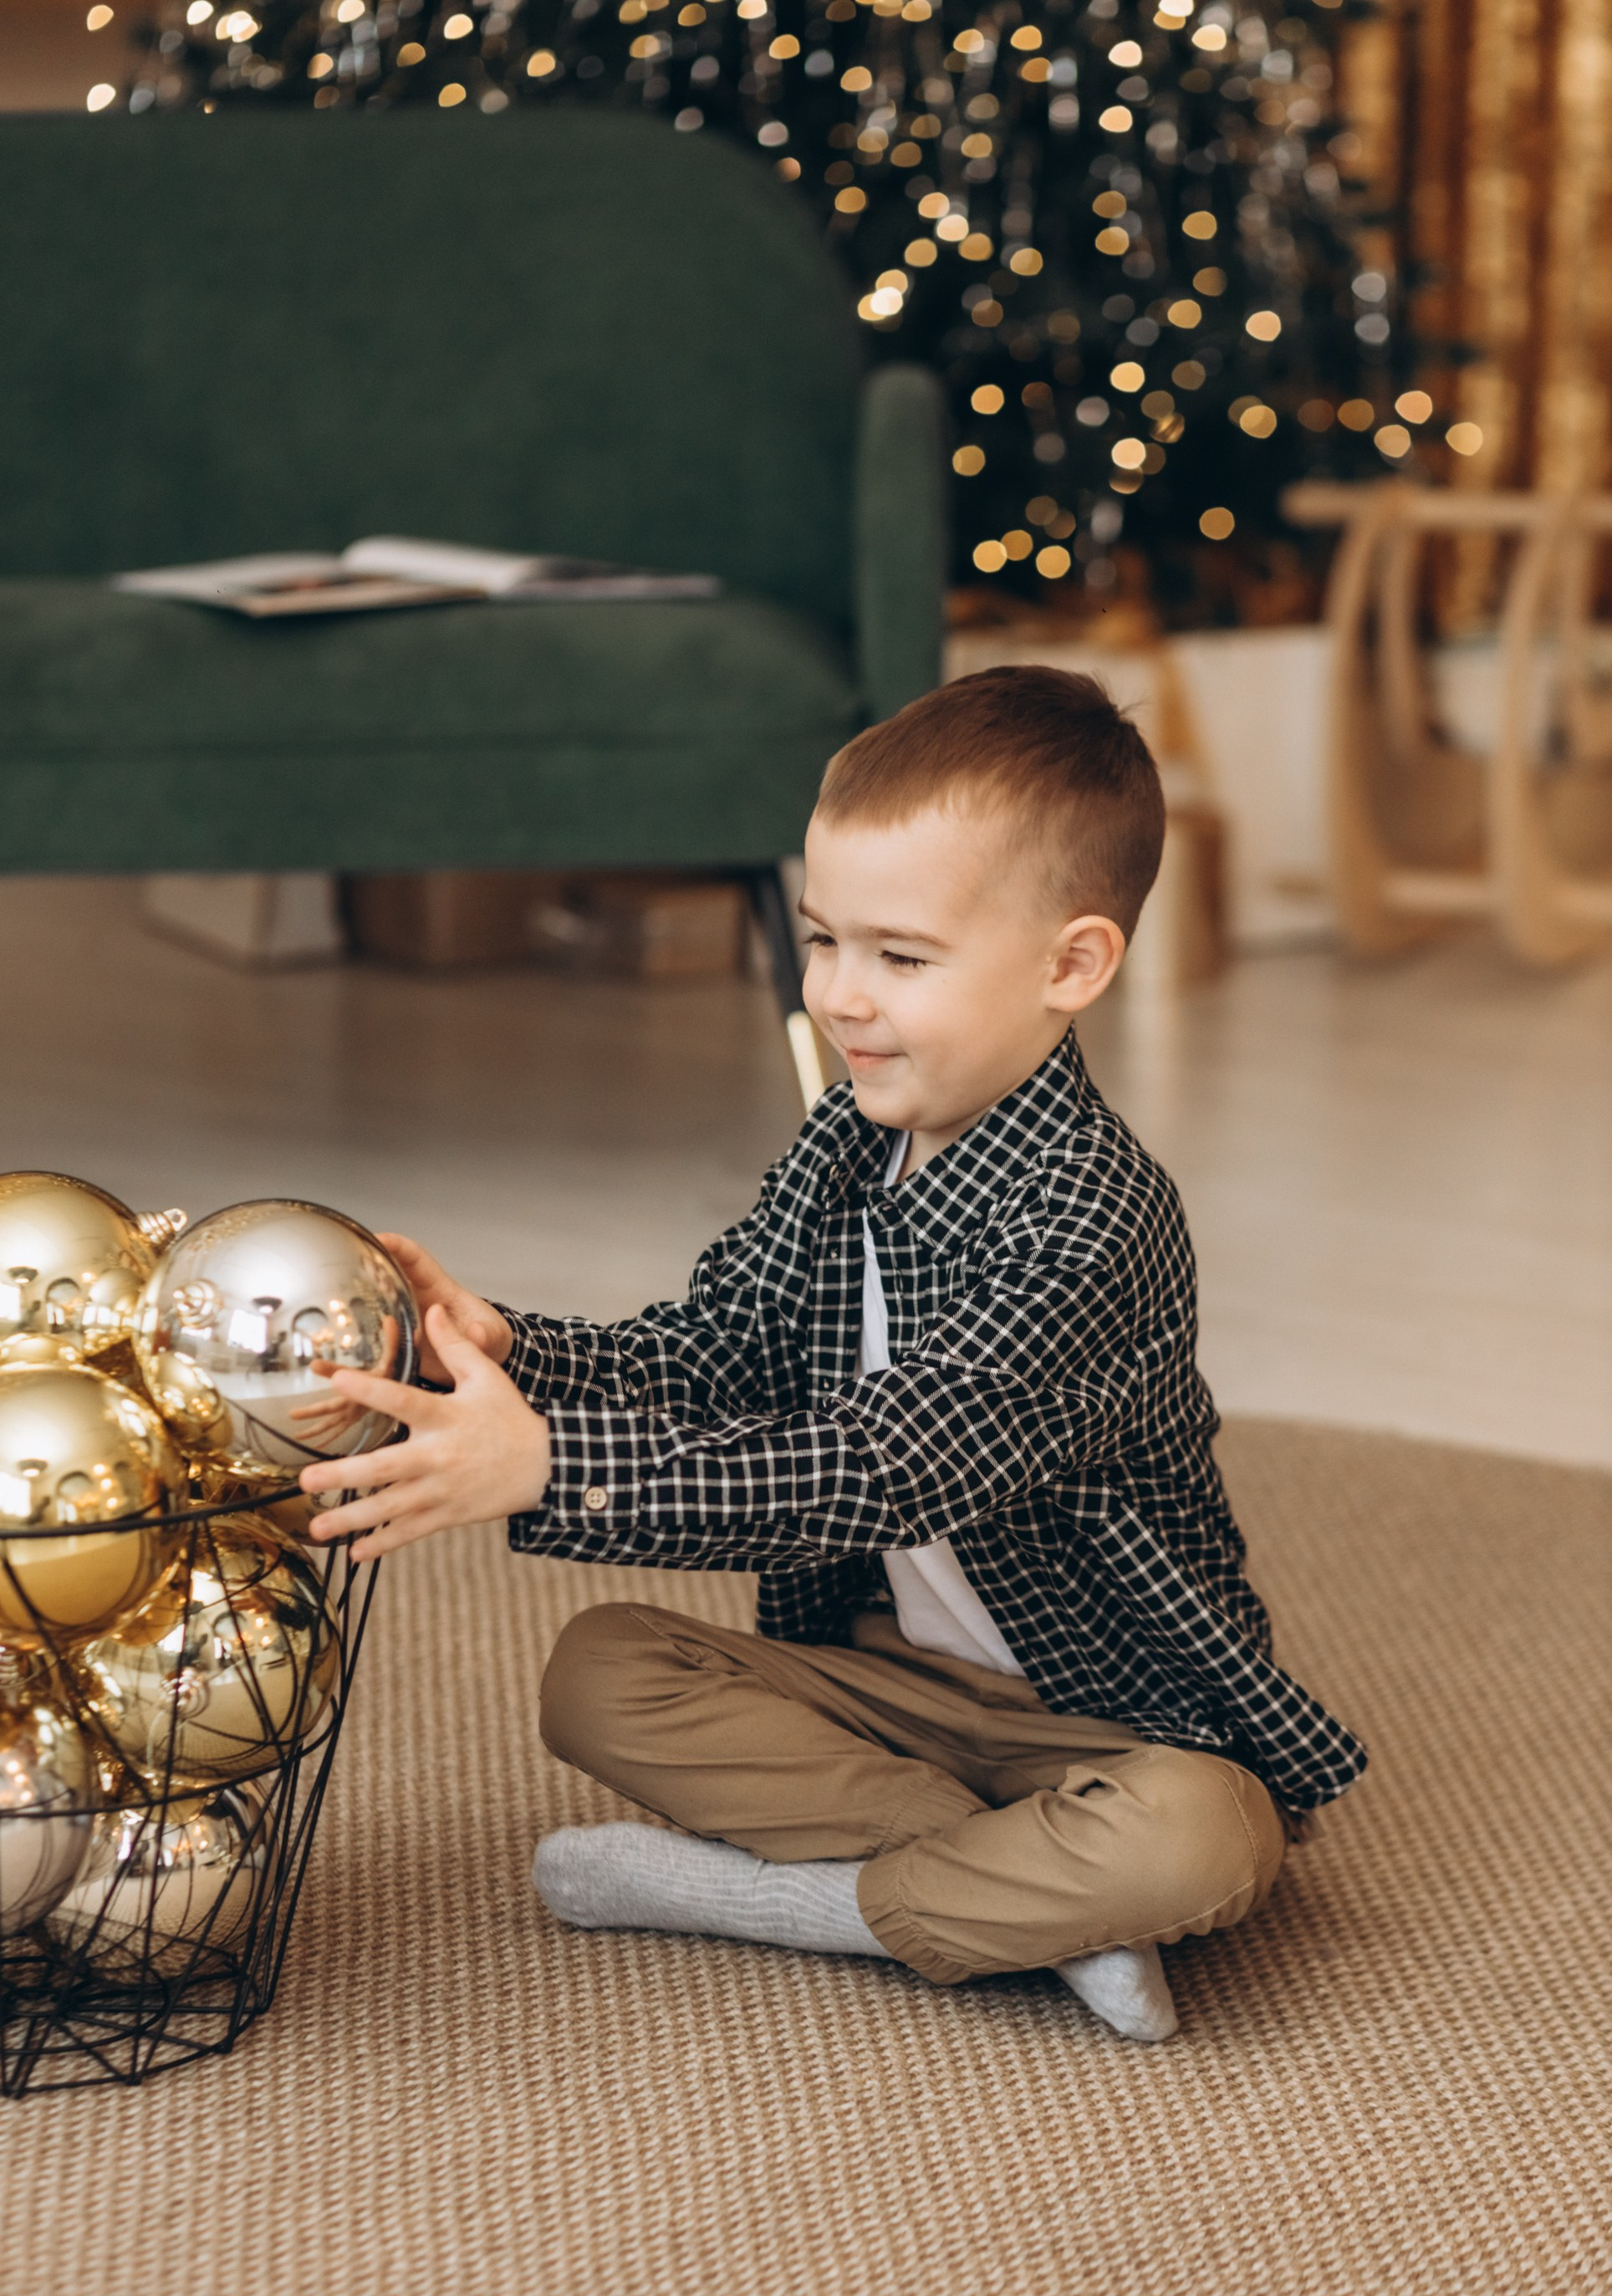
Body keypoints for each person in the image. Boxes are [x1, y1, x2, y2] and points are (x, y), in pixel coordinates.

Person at [301, 667, 1366, 2043]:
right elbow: (716, 1352)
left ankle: (793, 1901)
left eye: (902, 957)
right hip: (889, 1693)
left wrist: (551, 1468)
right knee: (600, 1669)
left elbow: (878, 1465)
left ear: (1072, 965)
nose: (845, 998)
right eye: (822, 940)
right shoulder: (844, 1142)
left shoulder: (1098, 1217)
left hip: (1109, 1724)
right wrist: (515, 1354)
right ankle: (1017, 1902)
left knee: (1205, 1842)